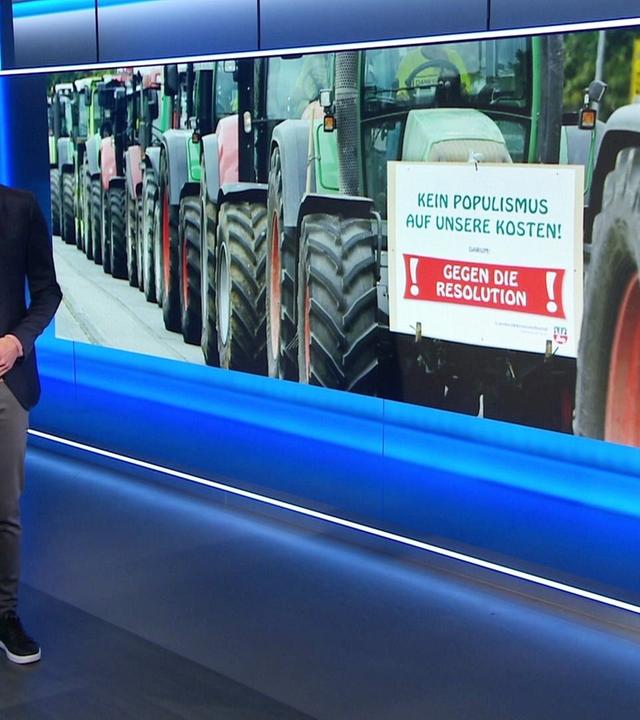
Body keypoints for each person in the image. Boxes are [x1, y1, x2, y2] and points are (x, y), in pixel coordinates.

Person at [0, 186, 62, 664]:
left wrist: (17, 341)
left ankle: (4, 615)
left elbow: (47, 293)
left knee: (5, 510)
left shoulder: (19, 208)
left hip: (6, 380)